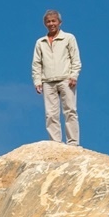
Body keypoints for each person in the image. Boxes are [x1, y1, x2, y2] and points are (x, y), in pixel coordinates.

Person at [31, 9, 83, 145]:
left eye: (54, 21)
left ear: (60, 22)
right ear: (44, 24)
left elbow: (75, 59)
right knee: (51, 114)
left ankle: (73, 142)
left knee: (70, 111)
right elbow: (36, 63)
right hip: (48, 81)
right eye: (48, 21)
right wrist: (37, 81)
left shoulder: (68, 38)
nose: (51, 23)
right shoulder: (40, 42)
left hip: (66, 79)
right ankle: (55, 143)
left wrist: (74, 75)